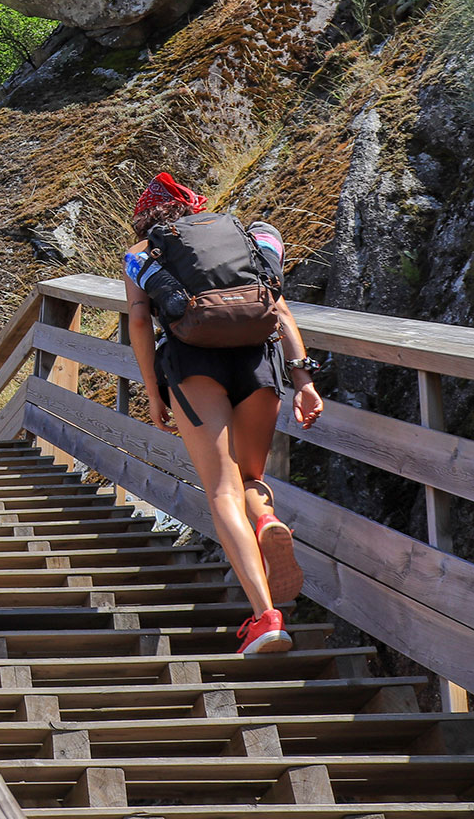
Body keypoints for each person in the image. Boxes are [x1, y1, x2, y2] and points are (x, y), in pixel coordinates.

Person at [124, 172, 324, 656]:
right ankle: (264, 520)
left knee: (220, 488)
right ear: (196, 209)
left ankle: (265, 618)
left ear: (149, 215)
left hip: (194, 365)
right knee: (251, 476)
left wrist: (153, 392)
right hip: (259, 361)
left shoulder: (143, 251)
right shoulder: (238, 238)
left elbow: (138, 324)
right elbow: (280, 309)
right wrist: (305, 382)